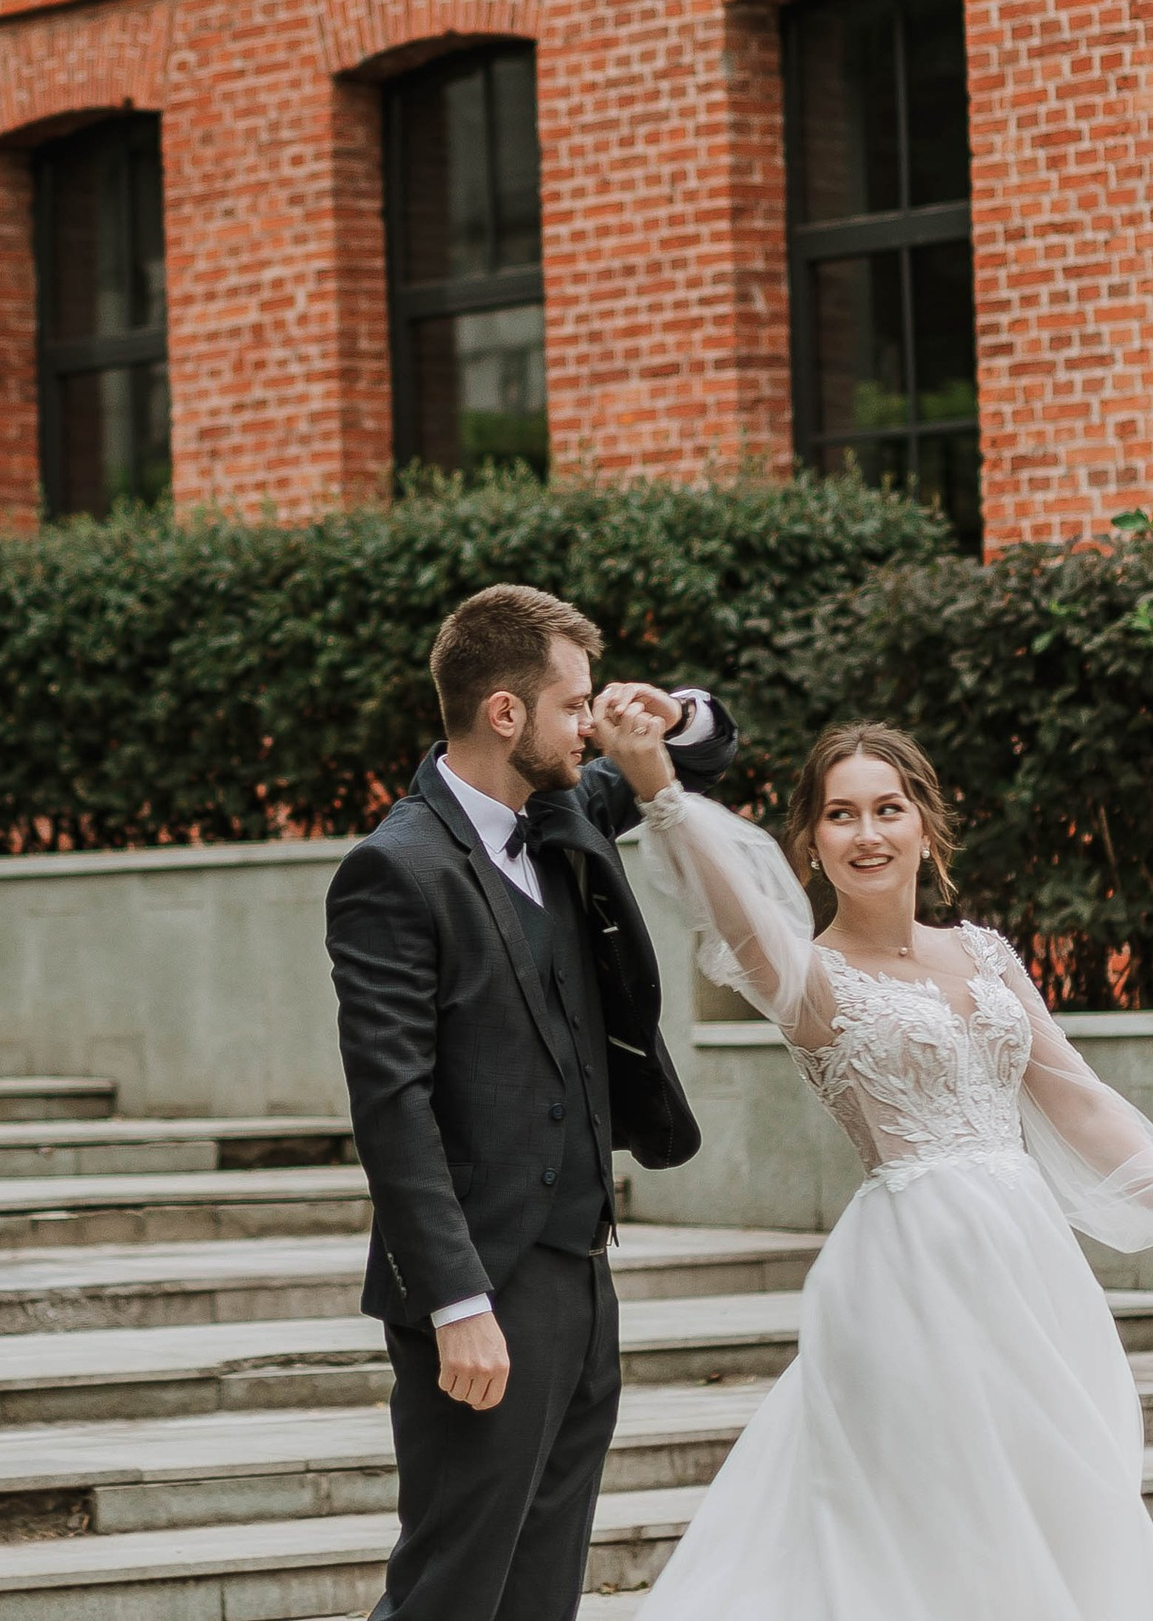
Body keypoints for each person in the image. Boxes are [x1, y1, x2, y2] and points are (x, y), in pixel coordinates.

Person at [591, 698, 1153, 1621]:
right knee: (935, 1513)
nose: (867, 832)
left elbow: (1076, 1092)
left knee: (1057, 1495)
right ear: (809, 843)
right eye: (840, 813)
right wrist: (657, 785)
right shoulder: (804, 976)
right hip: (908, 1276)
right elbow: (734, 908)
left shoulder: (984, 953)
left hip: (1030, 1271)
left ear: (925, 824)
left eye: (887, 807)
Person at [323, 581, 736, 1621]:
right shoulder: (394, 870)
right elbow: (392, 1105)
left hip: (580, 1269)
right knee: (452, 1588)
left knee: (542, 1588)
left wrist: (669, 714)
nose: (588, 728)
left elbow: (711, 745)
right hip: (481, 1286)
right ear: (504, 713)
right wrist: (456, 1302)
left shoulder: (561, 806)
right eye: (573, 707)